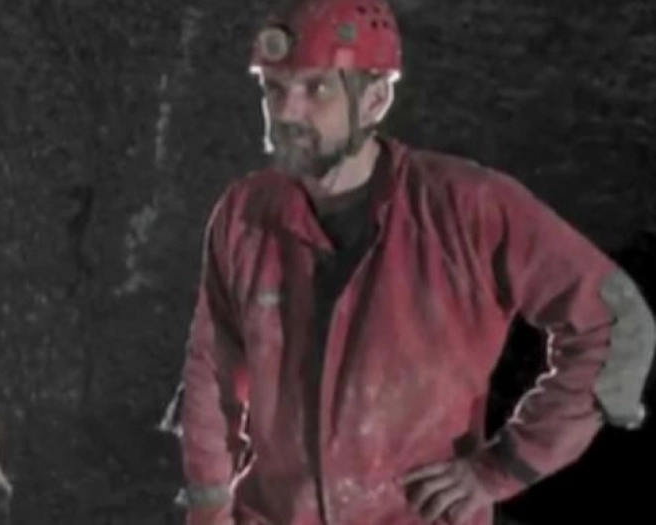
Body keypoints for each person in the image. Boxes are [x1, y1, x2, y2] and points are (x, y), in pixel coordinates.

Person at [167, 0, 656, 524]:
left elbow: (614, 322)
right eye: (274, 89)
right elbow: (212, 374)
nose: (287, 112)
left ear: (375, 99)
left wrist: (503, 468)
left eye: (317, 88)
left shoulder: (467, 210)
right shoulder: (245, 215)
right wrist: (210, 508)